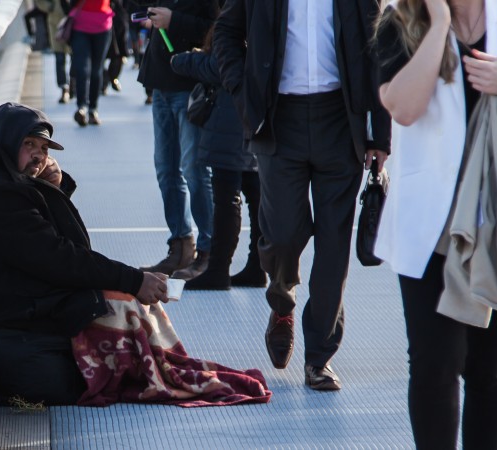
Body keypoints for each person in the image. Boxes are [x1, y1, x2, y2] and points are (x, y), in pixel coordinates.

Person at [374, 0, 497, 447]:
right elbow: (401, 108)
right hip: (430, 224)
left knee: (493, 369)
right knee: (434, 364)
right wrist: (438, 24)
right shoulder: (399, 21)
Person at [0, 102, 169, 404]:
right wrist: (133, 280)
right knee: (112, 306)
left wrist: (52, 185)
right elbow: (58, 257)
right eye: (29, 144)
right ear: (6, 141)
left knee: (112, 300)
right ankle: (139, 370)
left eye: (43, 148)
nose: (39, 155)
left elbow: (42, 242)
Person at [212, 0, 390, 388]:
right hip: (278, 122)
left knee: (333, 243)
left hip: (341, 122)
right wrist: (244, 96)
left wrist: (380, 135)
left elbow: (378, 47)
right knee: (283, 233)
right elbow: (225, 34)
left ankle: (319, 357)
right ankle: (282, 302)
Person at [169, 36, 265, 290]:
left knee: (226, 197)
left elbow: (219, 66)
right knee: (255, 194)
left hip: (231, 120)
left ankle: (218, 269)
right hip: (258, 117)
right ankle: (257, 267)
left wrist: (183, 60)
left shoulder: (237, 21)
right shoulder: (266, 22)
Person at [136, 0, 218, 279]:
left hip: (190, 83)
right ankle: (181, 245)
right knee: (166, 170)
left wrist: (174, 21)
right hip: (160, 81)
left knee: (194, 169)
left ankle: (209, 251)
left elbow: (218, 28)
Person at [66, 0, 114, 126]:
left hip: (102, 26)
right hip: (80, 26)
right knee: (82, 67)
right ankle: (81, 107)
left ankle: (93, 110)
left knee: (96, 70)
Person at [37, 0, 73, 103]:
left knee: (76, 57)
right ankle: (64, 88)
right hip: (56, 22)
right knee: (60, 57)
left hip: (75, 21)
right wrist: (49, 7)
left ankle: (73, 86)